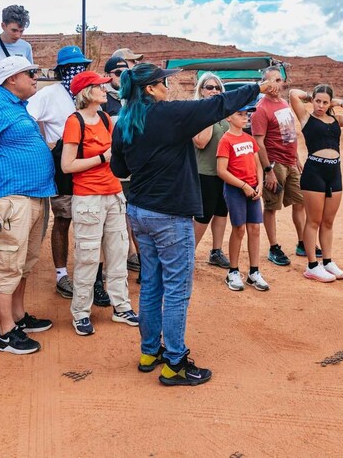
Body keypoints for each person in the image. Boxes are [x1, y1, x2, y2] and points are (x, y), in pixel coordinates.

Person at [111, 63, 275, 387]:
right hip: (169, 216)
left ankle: (149, 353)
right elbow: (219, 105)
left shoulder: (124, 123)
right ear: (149, 89)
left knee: (152, 284)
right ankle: (174, 363)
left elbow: (119, 167)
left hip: (140, 213)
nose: (166, 87)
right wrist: (259, 88)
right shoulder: (169, 115)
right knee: (176, 290)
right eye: (161, 83)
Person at [0, 56, 56, 355]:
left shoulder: (18, 107)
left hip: (34, 196)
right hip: (11, 198)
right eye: (30, 73)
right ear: (11, 79)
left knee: (24, 262)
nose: (36, 77)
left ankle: (18, 317)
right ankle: (5, 333)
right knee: (7, 263)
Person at [26, 45, 105, 303]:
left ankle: (92, 276)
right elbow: (27, 117)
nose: (77, 71)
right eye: (72, 68)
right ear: (62, 71)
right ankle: (61, 275)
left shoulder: (91, 96)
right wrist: (45, 147)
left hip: (92, 165)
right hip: (65, 165)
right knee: (64, 217)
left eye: (82, 67)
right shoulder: (49, 93)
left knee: (93, 219)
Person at [60, 71, 137, 335]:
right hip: (88, 197)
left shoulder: (105, 118)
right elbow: (67, 165)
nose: (105, 90)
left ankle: (121, 306)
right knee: (88, 257)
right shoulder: (75, 122)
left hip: (113, 193)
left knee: (117, 253)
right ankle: (81, 312)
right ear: (86, 92)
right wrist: (103, 159)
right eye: (100, 87)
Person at [289, 85, 343, 282]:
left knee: (328, 221)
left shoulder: (336, 120)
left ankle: (327, 261)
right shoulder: (306, 118)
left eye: (325, 102)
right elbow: (293, 94)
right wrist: (311, 96)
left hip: (334, 172)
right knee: (313, 220)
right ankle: (312, 266)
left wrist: (339, 102)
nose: (320, 105)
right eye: (318, 101)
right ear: (313, 101)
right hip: (314, 172)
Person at [250, 66, 313, 266]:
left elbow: (289, 133)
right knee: (271, 207)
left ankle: (303, 242)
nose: (276, 85)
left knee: (300, 202)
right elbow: (258, 143)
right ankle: (274, 247)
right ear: (264, 84)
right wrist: (268, 171)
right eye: (271, 81)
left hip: (290, 161)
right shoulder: (261, 109)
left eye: (279, 80)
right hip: (274, 164)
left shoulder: (285, 103)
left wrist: (296, 157)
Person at [216, 101, 269, 292]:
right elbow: (221, 171)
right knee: (239, 229)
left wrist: (260, 184)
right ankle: (233, 271)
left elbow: (257, 165)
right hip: (236, 190)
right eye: (240, 114)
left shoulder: (249, 138)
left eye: (247, 114)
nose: (245, 117)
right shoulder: (226, 140)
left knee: (254, 228)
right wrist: (244, 185)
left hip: (253, 189)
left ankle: (254, 272)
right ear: (229, 117)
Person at [103, 55, 141, 274]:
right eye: (118, 73)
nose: (123, 77)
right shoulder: (103, 100)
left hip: (135, 168)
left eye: (127, 73)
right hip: (114, 168)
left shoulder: (133, 97)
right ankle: (125, 257)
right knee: (118, 215)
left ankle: (138, 256)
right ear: (109, 75)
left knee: (134, 212)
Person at [192, 72, 231, 268]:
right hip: (204, 171)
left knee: (221, 212)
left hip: (224, 172)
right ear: (201, 90)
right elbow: (201, 142)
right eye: (209, 87)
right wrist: (209, 113)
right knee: (203, 214)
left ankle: (216, 251)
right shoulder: (197, 112)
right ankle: (188, 253)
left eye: (217, 88)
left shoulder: (224, 113)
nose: (214, 91)